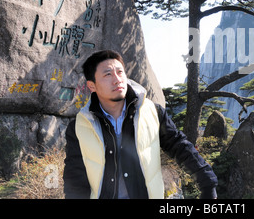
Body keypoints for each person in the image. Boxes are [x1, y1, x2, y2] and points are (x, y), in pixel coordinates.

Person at [63, 50, 217, 199]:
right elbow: (75, 178)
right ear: (92, 86)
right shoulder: (80, 126)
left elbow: (180, 146)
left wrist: (207, 182)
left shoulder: (151, 112)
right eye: (107, 74)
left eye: (120, 72)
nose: (117, 79)